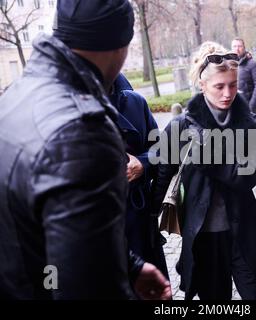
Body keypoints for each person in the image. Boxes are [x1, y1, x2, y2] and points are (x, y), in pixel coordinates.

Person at [0, 0, 170, 300]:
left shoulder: (17, 95)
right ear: (122, 45)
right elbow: (89, 288)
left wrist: (128, 266)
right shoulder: (83, 130)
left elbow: (55, 225)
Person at [152, 41, 256, 300]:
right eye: (219, 86)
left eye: (232, 85)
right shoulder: (180, 128)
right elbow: (163, 175)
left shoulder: (251, 125)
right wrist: (150, 223)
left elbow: (247, 176)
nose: (227, 93)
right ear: (202, 85)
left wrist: (209, 158)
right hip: (203, 239)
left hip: (245, 231)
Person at [109, 73, 169, 281]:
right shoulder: (68, 108)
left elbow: (161, 150)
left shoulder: (135, 102)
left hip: (139, 215)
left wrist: (142, 164)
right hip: (99, 222)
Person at [231, 37, 256, 114]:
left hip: (248, 106)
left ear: (244, 47)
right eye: (234, 46)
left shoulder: (253, 64)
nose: (237, 49)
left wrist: (252, 106)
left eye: (239, 46)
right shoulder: (229, 64)